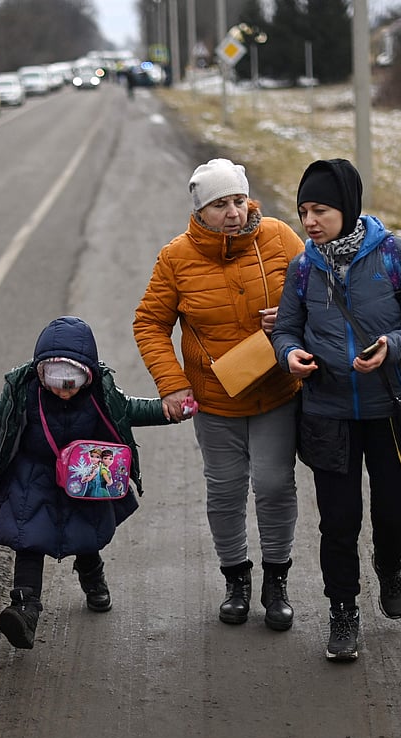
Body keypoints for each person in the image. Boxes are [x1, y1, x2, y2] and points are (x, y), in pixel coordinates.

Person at [271, 157, 401, 661]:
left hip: (389, 411)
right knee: (338, 522)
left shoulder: (395, 255)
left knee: (395, 512)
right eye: (303, 211)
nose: (309, 222)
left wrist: (393, 345)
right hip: (327, 413)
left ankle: (389, 565)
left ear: (347, 208)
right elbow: (285, 328)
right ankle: (342, 612)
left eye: (320, 209)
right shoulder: (304, 267)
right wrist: (290, 356)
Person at [133, 158, 303, 631]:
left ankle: (276, 581)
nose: (232, 212)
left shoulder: (280, 237)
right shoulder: (177, 257)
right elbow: (149, 322)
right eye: (218, 204)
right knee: (225, 491)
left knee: (272, 485)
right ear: (200, 211)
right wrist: (173, 384)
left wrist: (289, 315)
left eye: (237, 200)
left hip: (275, 391)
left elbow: (320, 294)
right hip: (216, 399)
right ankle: (236, 580)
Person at [0, 316, 173, 649]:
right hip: (32, 476)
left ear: (87, 376)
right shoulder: (22, 389)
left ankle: (93, 578)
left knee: (85, 535)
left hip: (83, 476)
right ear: (40, 371)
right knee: (28, 539)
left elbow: (131, 410)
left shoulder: (100, 392)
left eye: (71, 384)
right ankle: (24, 608)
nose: (62, 391)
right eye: (54, 381)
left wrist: (169, 409)